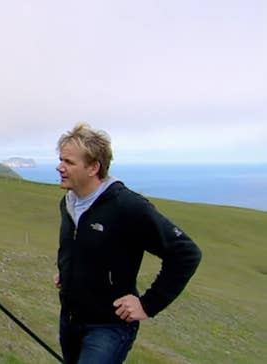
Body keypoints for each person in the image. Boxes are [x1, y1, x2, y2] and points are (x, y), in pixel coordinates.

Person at [53, 123, 202, 363]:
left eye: (69, 162)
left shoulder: (127, 206)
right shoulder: (68, 202)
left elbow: (186, 253)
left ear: (93, 167)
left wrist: (148, 304)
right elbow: (81, 246)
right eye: (61, 159)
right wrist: (68, 272)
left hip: (108, 327)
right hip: (70, 320)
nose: (59, 167)